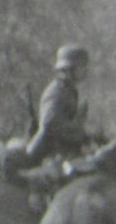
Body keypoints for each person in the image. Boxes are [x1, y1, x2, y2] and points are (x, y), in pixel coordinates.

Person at [7, 45, 92, 180]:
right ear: (69, 69)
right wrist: (78, 133)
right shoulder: (56, 91)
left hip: (61, 148)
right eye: (81, 66)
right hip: (47, 151)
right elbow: (50, 124)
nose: (85, 70)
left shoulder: (68, 90)